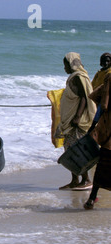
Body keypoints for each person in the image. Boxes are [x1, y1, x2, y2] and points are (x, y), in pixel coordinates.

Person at [54, 52, 97, 190]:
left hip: (76, 123)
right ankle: (74, 180)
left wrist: (77, 117)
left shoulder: (79, 77)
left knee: (77, 151)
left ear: (72, 64)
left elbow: (84, 97)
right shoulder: (73, 77)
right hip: (69, 121)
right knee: (70, 151)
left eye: (66, 65)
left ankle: (86, 180)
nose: (64, 68)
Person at [84, 73, 111, 209]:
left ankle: (92, 198)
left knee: (102, 166)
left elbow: (103, 105)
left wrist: (93, 126)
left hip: (109, 131)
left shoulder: (109, 77)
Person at [88, 52, 111, 132]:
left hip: (104, 98)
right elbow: (92, 85)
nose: (106, 63)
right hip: (96, 97)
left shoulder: (109, 73)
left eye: (108, 61)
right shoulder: (99, 73)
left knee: (97, 117)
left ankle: (92, 127)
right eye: (104, 61)